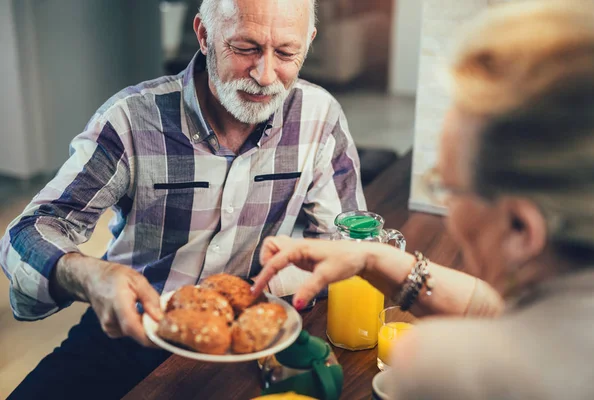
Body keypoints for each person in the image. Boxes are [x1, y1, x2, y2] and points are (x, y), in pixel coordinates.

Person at [1, 0, 365, 398]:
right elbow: (28, 231)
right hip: (134, 331)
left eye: (285, 53)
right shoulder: (130, 120)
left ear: (308, 42)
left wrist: (264, 285)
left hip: (255, 333)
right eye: (245, 48)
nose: (264, 76)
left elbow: (348, 243)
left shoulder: (320, 116)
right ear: (204, 35)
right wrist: (87, 275)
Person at [252, 1, 594, 398]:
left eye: (448, 189)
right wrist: (371, 258)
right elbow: (497, 309)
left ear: (522, 229)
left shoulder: (449, 368)